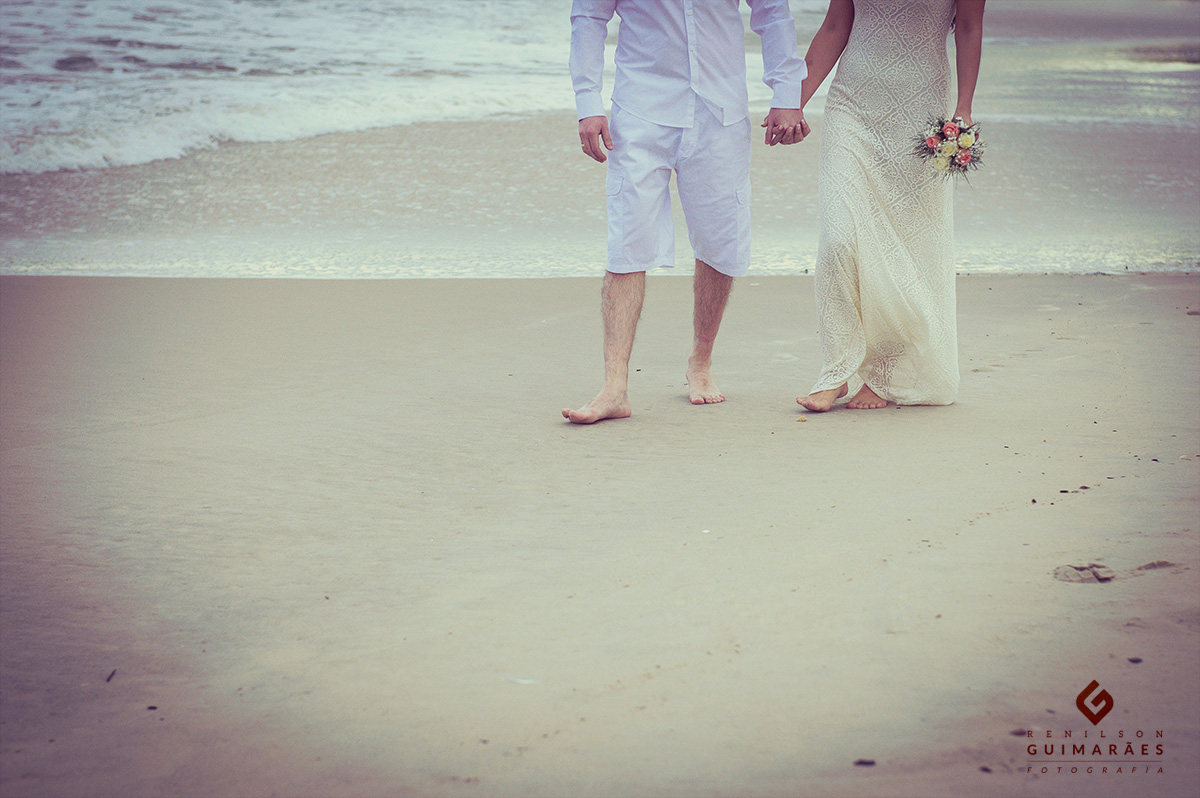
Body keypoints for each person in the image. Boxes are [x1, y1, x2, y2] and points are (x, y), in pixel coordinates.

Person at [563, 0, 809, 424]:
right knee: (628, 239)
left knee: (720, 239)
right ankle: (614, 387)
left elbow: (772, 12)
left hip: (720, 112)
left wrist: (787, 94)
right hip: (640, 111)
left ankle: (701, 362)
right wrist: (588, 101)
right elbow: (588, 17)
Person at [796, 0, 985, 412]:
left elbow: (969, 28)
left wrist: (964, 109)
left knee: (904, 248)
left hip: (919, 114)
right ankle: (836, 370)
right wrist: (794, 101)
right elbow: (834, 27)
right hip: (852, 106)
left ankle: (882, 376)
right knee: (838, 239)